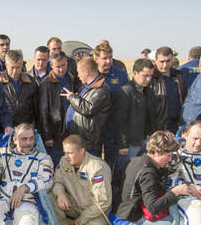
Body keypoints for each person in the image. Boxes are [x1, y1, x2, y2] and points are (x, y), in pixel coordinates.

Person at [113, 131, 191, 225]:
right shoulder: (148, 173)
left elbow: (117, 180)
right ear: (157, 152)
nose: (170, 159)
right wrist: (175, 192)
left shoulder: (135, 160)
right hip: (126, 224)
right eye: (168, 155)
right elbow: (153, 207)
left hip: (116, 213)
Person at [52, 134, 112, 225]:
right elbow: (57, 181)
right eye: (65, 152)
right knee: (50, 196)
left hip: (94, 210)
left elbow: (103, 202)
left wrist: (83, 219)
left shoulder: (97, 167)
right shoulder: (64, 162)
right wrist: (60, 194)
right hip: (74, 205)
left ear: (82, 151)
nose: (66, 156)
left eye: (70, 153)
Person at [61, 57, 111, 156]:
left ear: (86, 72)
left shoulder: (101, 89)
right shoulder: (86, 86)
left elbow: (88, 108)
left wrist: (71, 97)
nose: (78, 75)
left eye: (79, 72)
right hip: (79, 140)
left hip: (88, 143)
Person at [38, 51, 79, 165]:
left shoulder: (73, 80)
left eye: (63, 66)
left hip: (71, 131)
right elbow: (43, 111)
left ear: (67, 63)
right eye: (58, 67)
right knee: (56, 165)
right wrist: (47, 136)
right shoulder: (46, 84)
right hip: (55, 133)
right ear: (51, 65)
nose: (61, 69)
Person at [115, 58, 157, 171]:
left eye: (151, 76)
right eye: (145, 75)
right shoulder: (126, 92)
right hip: (130, 144)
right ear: (135, 73)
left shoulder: (149, 92)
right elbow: (120, 120)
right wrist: (123, 145)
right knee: (125, 172)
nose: (148, 79)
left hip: (145, 141)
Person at [94, 42, 128, 175]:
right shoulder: (90, 74)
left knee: (111, 162)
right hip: (95, 125)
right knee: (94, 161)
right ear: (96, 58)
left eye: (110, 57)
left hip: (114, 125)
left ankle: (111, 190)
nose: (108, 61)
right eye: (104, 58)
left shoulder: (120, 75)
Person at [150, 46, 188, 133]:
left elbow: (185, 97)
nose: (165, 65)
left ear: (173, 59)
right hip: (158, 126)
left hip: (177, 125)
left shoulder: (179, 76)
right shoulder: (151, 78)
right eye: (162, 61)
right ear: (155, 61)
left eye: (168, 61)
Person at [0, 50, 39, 126]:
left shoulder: (32, 82)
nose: (15, 71)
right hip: (4, 128)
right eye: (12, 67)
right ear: (6, 65)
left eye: (18, 67)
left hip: (26, 128)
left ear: (22, 65)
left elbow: (37, 109)